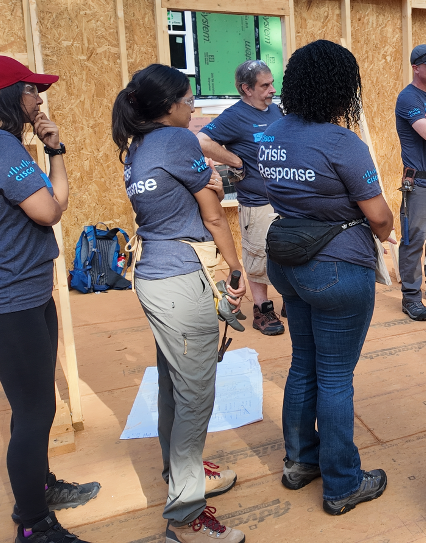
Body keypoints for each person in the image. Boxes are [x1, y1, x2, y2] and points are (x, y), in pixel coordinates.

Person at [0, 55, 102, 542]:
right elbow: (50, 210)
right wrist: (55, 157)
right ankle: (33, 525)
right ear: (8, 96)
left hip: (20, 298)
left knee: (33, 408)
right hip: (7, 304)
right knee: (36, 412)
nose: (39, 99)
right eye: (32, 90)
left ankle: (38, 488)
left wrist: (53, 148)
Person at [257, 40, 394, 516]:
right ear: (341, 88)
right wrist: (388, 227)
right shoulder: (342, 142)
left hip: (288, 265)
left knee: (303, 364)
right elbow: (378, 216)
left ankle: (300, 462)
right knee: (335, 377)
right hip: (336, 267)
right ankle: (342, 484)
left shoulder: (272, 134)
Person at [112, 64, 248, 543]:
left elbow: (202, 189)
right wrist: (236, 270)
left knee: (174, 384)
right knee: (195, 396)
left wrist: (208, 180)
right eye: (189, 101)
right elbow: (213, 214)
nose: (193, 108)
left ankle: (181, 473)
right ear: (168, 106)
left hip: (154, 275)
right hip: (179, 280)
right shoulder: (176, 141)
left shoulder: (140, 145)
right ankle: (187, 516)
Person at [198, 59, 286, 336]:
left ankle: (290, 302)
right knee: (258, 255)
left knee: (286, 253)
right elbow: (201, 140)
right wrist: (234, 160)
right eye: (265, 85)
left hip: (284, 199)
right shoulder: (234, 116)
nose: (272, 89)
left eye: (272, 83)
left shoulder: (276, 112)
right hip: (257, 201)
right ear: (246, 89)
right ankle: (262, 309)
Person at [394, 44, 426, 321]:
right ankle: (410, 297)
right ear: (416, 68)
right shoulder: (408, 98)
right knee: (414, 240)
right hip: (419, 183)